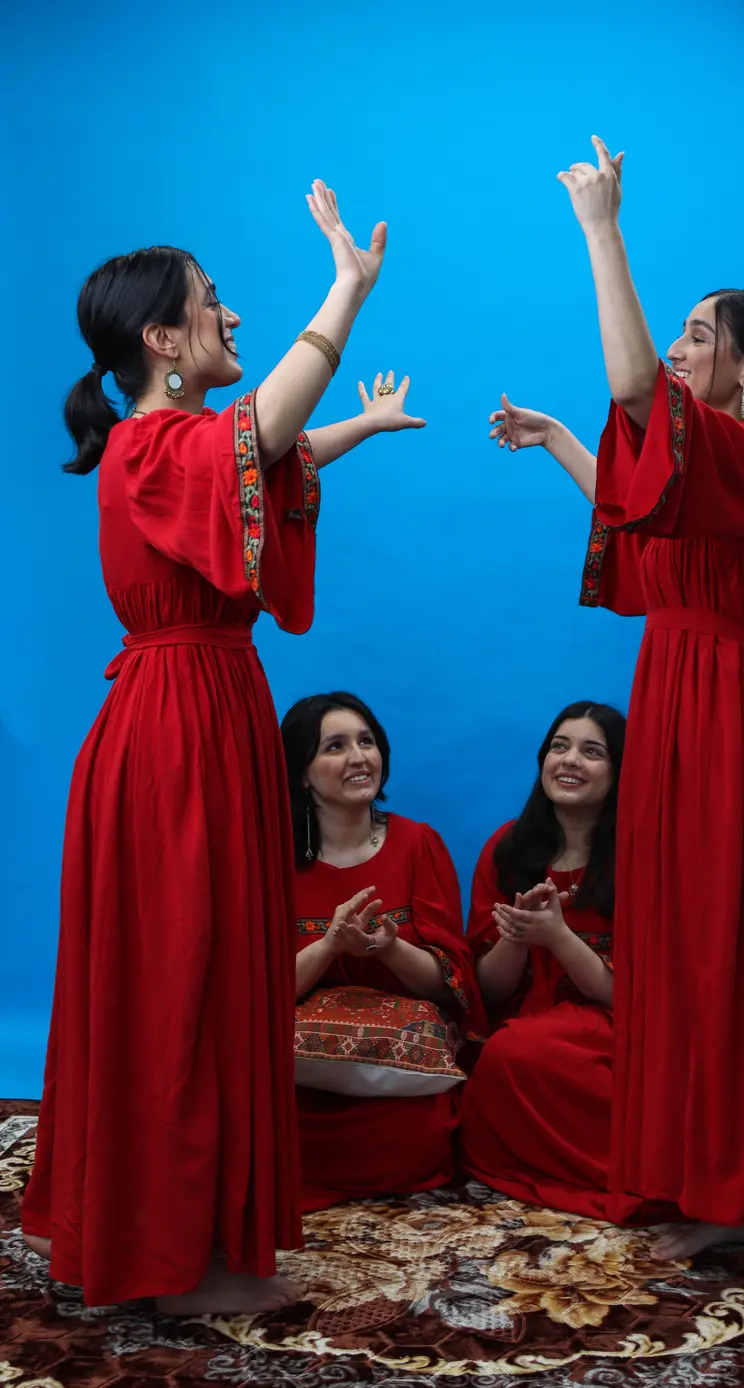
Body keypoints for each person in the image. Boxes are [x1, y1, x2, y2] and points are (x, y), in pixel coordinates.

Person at [23, 182, 427, 1315]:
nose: (234, 318)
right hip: (172, 732)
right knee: (178, 982)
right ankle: (161, 1259)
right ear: (161, 339)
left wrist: (363, 425)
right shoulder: (151, 449)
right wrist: (344, 290)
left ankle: (189, 1240)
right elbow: (258, 436)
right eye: (212, 304)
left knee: (211, 976)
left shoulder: (183, 446)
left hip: (213, 711)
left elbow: (275, 458)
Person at [488, 138, 744, 1270]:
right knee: (697, 971)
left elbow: (632, 391)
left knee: (742, 972)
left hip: (735, 745)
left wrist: (603, 229)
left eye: (701, 335)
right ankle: (734, 1191)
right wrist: (563, 440)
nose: (677, 347)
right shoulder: (711, 476)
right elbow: (639, 535)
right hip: (682, 729)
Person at [460, 703, 673, 1223]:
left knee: (529, 1055)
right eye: (559, 746)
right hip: (533, 1018)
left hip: (624, 1024)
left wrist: (558, 937)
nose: (570, 760)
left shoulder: (645, 854)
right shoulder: (507, 847)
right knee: (505, 1057)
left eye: (592, 751)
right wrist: (517, 935)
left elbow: (630, 997)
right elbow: (487, 992)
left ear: (620, 771)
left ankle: (658, 1183)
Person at [282, 691, 485, 1211]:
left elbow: (451, 984)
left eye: (366, 741)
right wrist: (330, 945)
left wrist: (390, 950)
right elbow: (264, 992)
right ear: (303, 773)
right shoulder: (274, 862)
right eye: (335, 746)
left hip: (403, 1075)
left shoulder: (418, 844)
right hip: (302, 1070)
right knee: (263, 1122)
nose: (358, 757)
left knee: (414, 1138)